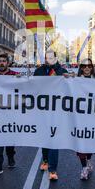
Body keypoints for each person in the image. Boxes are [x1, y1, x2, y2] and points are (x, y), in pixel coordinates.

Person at [34, 49, 68, 181]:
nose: (48, 59)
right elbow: (30, 85)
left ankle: (53, 169)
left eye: (50, 57)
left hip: (57, 111)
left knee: (54, 140)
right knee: (45, 138)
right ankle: (46, 160)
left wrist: (69, 78)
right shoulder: (39, 71)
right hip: (43, 111)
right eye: (46, 57)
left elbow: (71, 86)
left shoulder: (61, 71)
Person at [0, 53, 19, 178]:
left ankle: (11, 156)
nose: (1, 63)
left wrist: (20, 80)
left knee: (9, 140)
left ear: (8, 63)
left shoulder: (14, 75)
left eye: (4, 61)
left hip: (11, 114)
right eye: (0, 61)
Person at [76, 59, 95, 180]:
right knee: (81, 145)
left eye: (89, 66)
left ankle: (88, 160)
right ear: (82, 68)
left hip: (93, 118)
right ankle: (84, 167)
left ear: (92, 68)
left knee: (89, 144)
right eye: (84, 66)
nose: (87, 68)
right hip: (80, 118)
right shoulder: (76, 80)